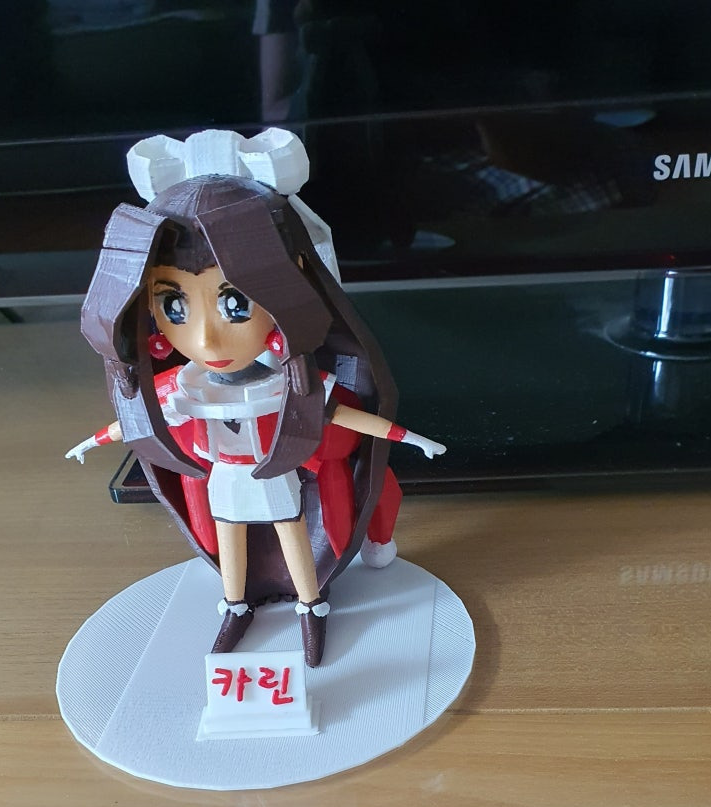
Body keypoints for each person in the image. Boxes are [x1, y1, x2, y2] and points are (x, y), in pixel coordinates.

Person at [68, 129, 444, 666]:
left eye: (235, 305)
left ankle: (310, 604)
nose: (206, 341)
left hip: (275, 474)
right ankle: (236, 604)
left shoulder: (288, 383)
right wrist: (92, 440)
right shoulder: (185, 385)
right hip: (225, 479)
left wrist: (410, 438)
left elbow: (342, 415)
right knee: (230, 541)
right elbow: (137, 422)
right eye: (174, 307)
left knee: (293, 535)